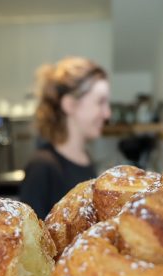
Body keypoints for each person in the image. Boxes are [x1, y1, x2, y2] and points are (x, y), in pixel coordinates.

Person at [19, 56, 111, 219]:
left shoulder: (85, 158)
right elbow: (31, 231)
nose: (107, 113)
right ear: (70, 104)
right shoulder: (42, 167)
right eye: (100, 102)